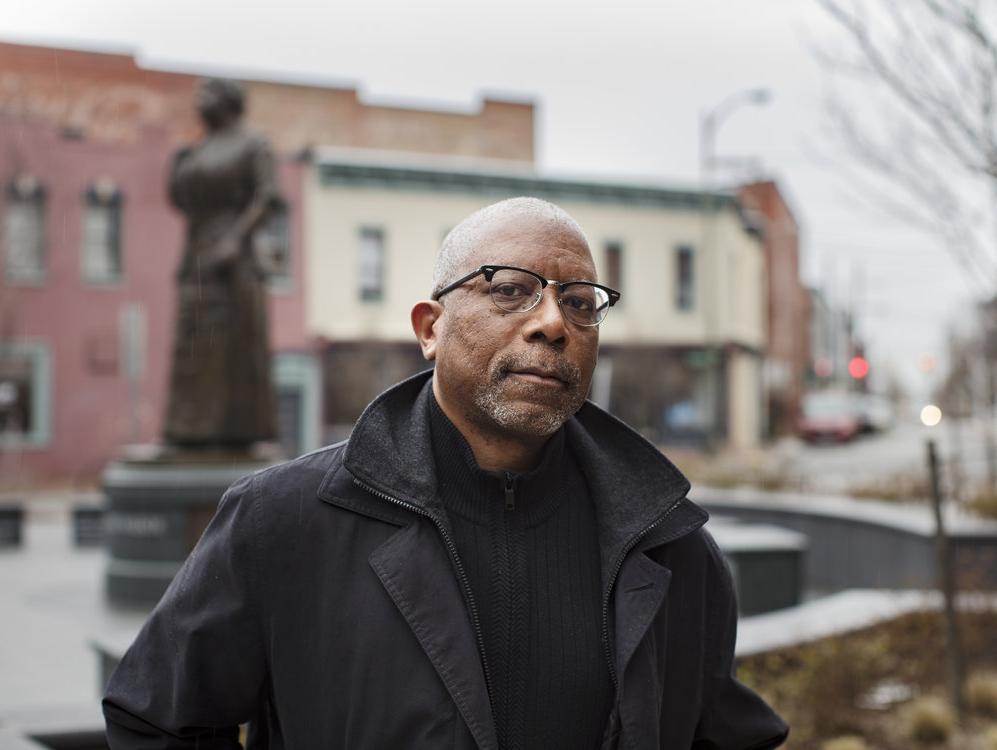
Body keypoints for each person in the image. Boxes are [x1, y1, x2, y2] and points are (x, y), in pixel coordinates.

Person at [103, 197, 788, 749]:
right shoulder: (282, 520)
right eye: (512, 291)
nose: (553, 322)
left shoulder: (671, 548)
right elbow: (157, 718)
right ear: (430, 328)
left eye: (580, 303)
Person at [162, 77, 281, 448]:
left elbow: (267, 197)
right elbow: (182, 201)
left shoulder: (252, 144)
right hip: (198, 254)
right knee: (193, 343)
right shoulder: (197, 150)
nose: (199, 100)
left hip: (236, 259)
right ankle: (189, 429)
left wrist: (236, 239)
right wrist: (178, 165)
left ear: (229, 101)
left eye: (208, 94)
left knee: (231, 348)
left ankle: (237, 432)